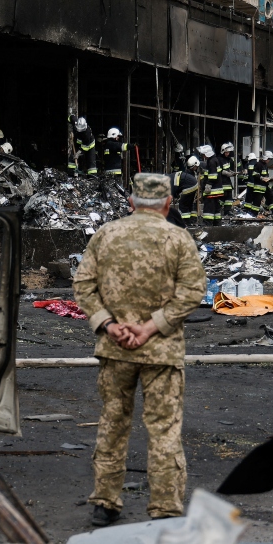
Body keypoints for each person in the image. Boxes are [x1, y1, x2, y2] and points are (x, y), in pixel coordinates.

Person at [73, 173, 205, 525]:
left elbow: (83, 285)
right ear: (167, 203)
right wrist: (150, 327)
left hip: (115, 349)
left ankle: (105, 503)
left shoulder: (106, 234)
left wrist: (110, 325)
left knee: (113, 424)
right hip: (161, 351)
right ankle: (164, 508)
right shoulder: (178, 238)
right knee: (163, 429)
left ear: (131, 202)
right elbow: (192, 292)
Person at [197, 145, 223, 225]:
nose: (203, 156)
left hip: (212, 191)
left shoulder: (211, 162)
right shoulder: (215, 160)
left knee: (209, 209)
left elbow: (213, 176)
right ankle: (217, 223)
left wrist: (208, 185)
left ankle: (207, 223)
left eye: (203, 154)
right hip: (217, 189)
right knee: (216, 208)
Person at [172, 158, 201, 227]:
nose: (197, 168)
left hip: (191, 192)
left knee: (189, 207)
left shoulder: (191, 173)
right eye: (196, 166)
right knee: (185, 206)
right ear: (193, 166)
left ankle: (189, 222)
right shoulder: (189, 174)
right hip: (189, 192)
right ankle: (186, 222)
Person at [218, 143, 236, 215]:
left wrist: (232, 172)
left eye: (228, 152)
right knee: (221, 198)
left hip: (228, 182)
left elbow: (228, 169)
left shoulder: (228, 160)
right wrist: (226, 173)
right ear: (222, 151)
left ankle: (227, 211)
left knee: (229, 198)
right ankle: (218, 210)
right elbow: (219, 170)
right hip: (222, 182)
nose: (227, 154)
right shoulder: (219, 159)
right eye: (226, 152)